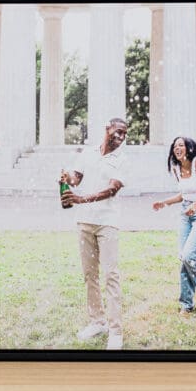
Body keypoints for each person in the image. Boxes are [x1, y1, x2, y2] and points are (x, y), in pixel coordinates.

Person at [60, 117, 129, 350]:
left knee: (111, 275)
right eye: (117, 131)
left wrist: (81, 199)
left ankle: (116, 331)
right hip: (84, 222)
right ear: (107, 129)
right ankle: (97, 322)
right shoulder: (88, 153)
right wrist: (66, 178)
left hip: (107, 222)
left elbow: (112, 189)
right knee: (90, 275)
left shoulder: (122, 159)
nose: (120, 137)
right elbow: (76, 179)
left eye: (124, 134)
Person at [152, 136, 196, 314]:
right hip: (185, 213)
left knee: (189, 256)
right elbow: (183, 195)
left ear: (189, 147)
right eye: (174, 146)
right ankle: (186, 304)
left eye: (181, 145)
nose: (177, 148)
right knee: (184, 257)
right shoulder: (177, 168)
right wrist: (164, 202)